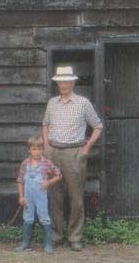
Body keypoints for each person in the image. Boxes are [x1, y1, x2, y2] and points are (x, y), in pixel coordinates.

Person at [42, 65, 103, 251]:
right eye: (60, 81)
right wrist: (45, 146)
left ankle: (75, 237)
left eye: (67, 81)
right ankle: (56, 235)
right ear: (57, 83)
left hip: (74, 154)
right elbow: (45, 125)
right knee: (55, 196)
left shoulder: (83, 103)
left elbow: (98, 126)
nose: (64, 84)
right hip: (53, 152)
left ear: (73, 82)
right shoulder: (52, 103)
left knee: (76, 198)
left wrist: (86, 148)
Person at [15, 135, 62, 254]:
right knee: (28, 218)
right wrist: (21, 196)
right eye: (34, 149)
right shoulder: (25, 164)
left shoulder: (47, 163)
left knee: (44, 217)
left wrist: (48, 182)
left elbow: (59, 175)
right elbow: (20, 180)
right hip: (28, 196)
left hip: (41, 195)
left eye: (40, 149)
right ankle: (26, 243)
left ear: (43, 149)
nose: (37, 152)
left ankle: (48, 243)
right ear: (29, 150)